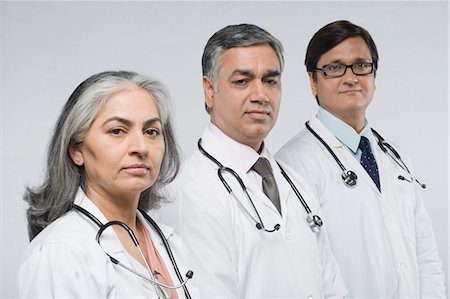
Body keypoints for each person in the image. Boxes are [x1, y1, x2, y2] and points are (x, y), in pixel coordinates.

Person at [155, 23, 347, 298]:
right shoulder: (191, 192)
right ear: (210, 90)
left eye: (270, 81)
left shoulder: (295, 182)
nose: (261, 96)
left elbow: (333, 289)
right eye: (242, 81)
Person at [276, 20, 446, 298]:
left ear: (373, 75)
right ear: (312, 81)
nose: (351, 77)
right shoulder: (293, 165)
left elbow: (425, 256)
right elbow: (301, 275)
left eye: (361, 65)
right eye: (334, 68)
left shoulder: (396, 159)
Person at [17, 71, 197, 298]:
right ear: (76, 150)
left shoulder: (169, 243)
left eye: (151, 132)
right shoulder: (60, 253)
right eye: (117, 131)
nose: (141, 147)